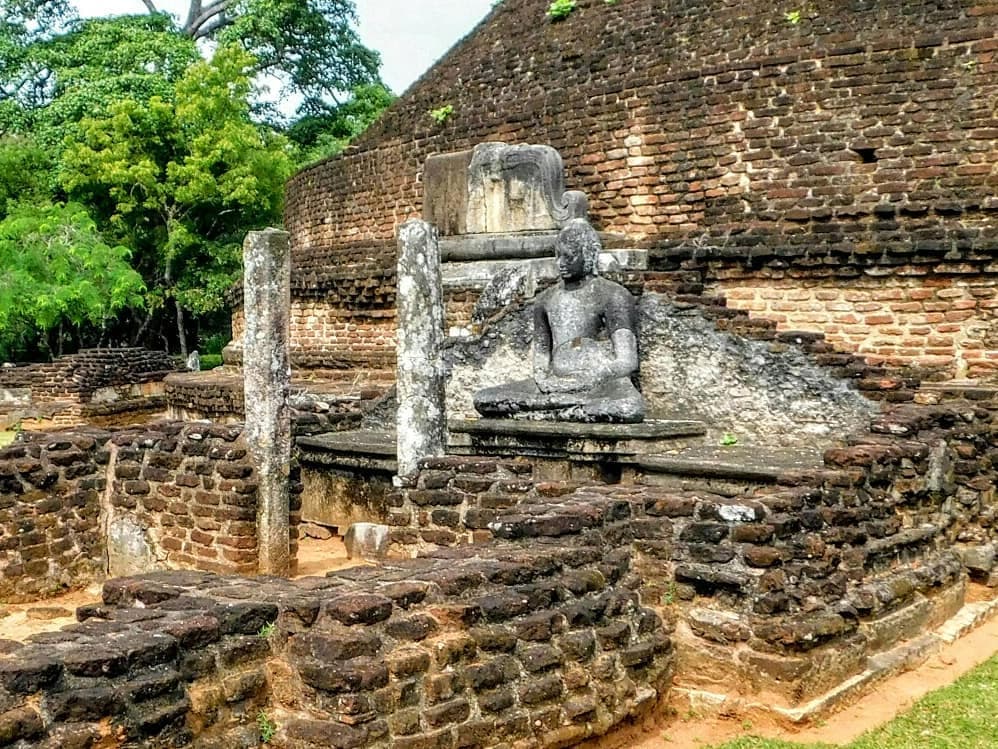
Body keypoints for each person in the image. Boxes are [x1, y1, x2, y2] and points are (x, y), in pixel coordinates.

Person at [473, 218, 645, 423]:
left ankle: (546, 411)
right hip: (554, 382)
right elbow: (542, 355)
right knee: (485, 399)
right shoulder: (545, 300)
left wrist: (594, 376)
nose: (560, 263)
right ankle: (565, 409)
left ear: (588, 254)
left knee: (628, 407)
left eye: (569, 257)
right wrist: (543, 379)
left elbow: (627, 361)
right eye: (557, 256)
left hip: (599, 380)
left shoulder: (613, 295)